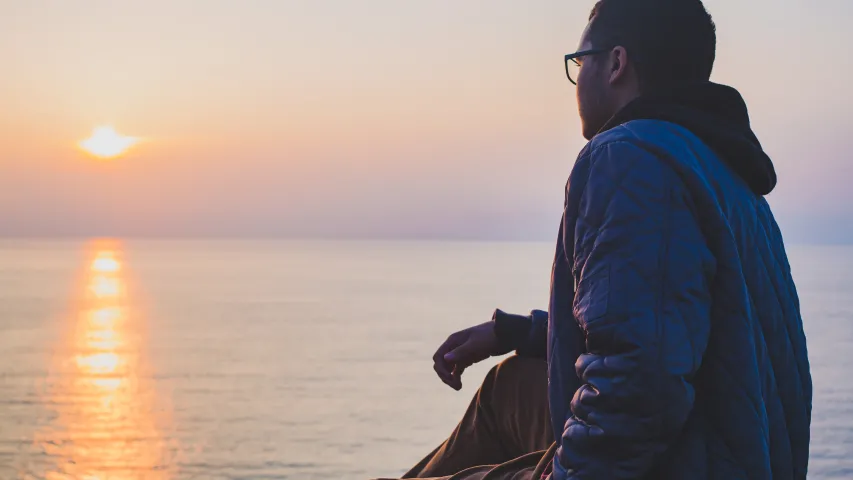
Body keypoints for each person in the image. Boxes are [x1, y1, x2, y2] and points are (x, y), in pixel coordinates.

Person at [375, 0, 812, 478]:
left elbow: (641, 384)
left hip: (679, 462)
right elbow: (667, 324)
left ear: (616, 63)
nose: (577, 77)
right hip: (739, 452)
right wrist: (515, 332)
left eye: (580, 61)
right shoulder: (726, 176)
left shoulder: (629, 157)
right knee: (509, 386)